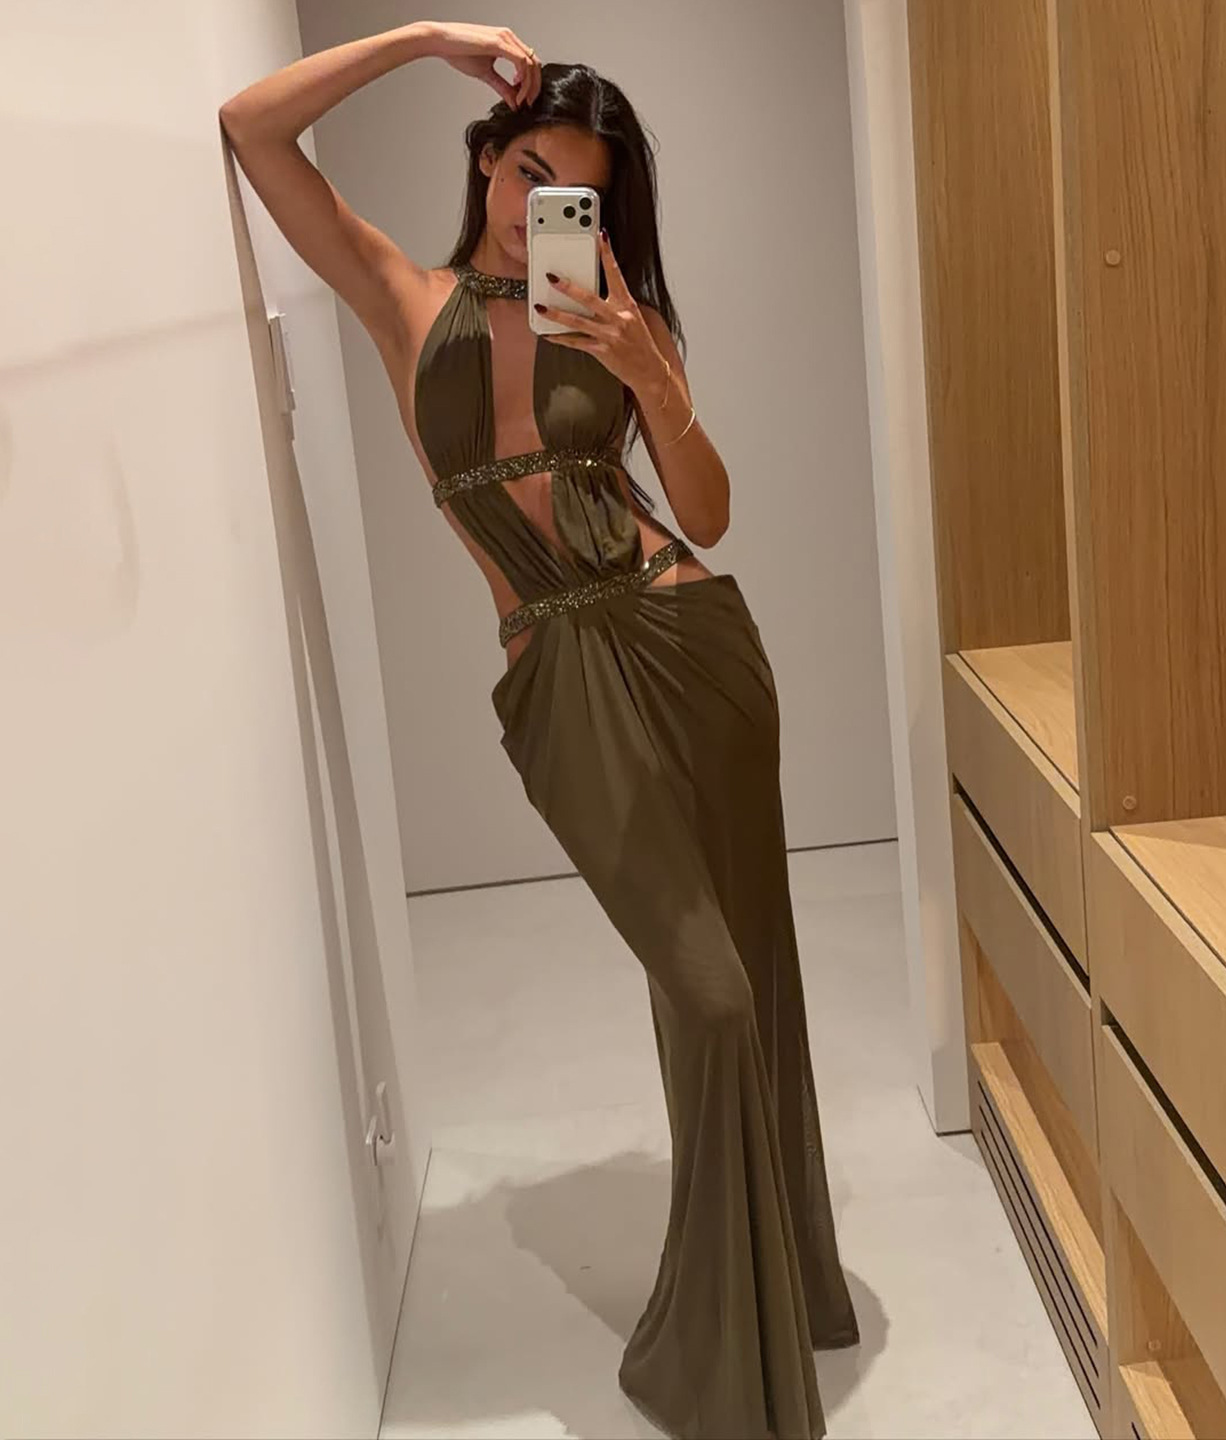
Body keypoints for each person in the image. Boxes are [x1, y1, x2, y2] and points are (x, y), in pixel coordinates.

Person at [219, 20, 859, 1439]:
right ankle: (726, 1348)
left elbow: (707, 515)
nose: (538, 205)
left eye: (572, 190)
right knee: (708, 993)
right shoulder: (404, 297)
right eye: (525, 171)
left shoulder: (615, 322)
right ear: (486, 160)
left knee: (749, 975)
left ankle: (780, 1297)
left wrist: (653, 376)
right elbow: (253, 126)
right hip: (559, 679)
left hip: (693, 644)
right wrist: (427, 37)